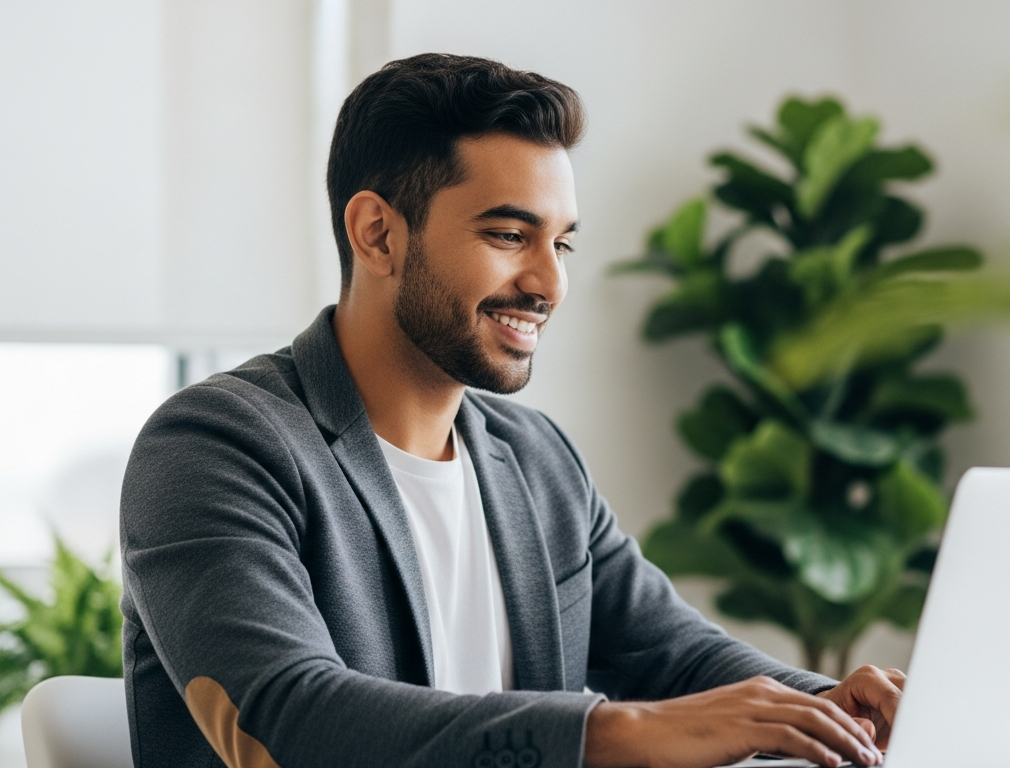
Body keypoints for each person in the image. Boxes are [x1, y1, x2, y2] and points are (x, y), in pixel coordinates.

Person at [120, 53, 905, 768]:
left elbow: (679, 656)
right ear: (377, 233)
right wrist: (613, 733)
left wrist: (829, 709)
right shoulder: (215, 446)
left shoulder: (535, 460)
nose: (548, 283)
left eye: (561, 244)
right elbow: (293, 719)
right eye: (508, 234)